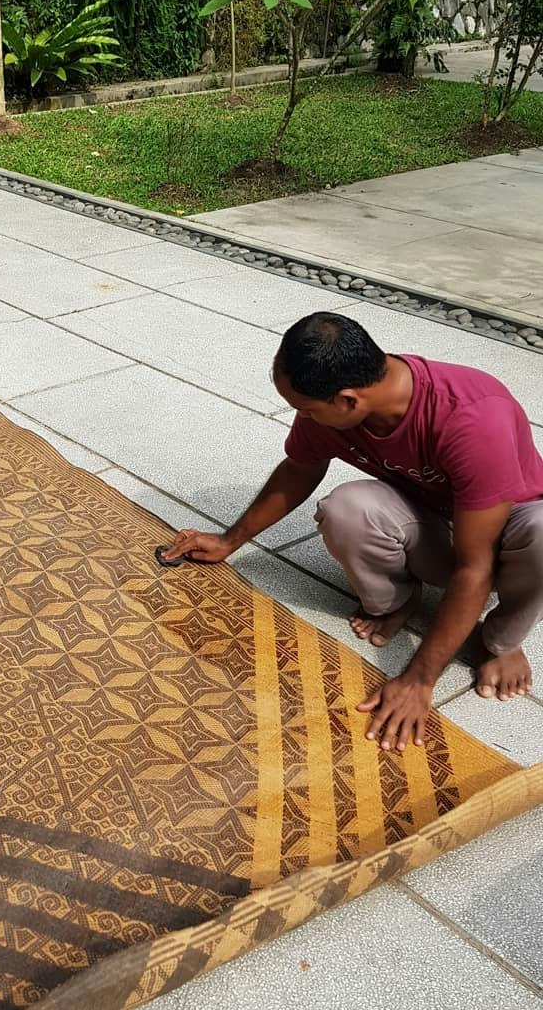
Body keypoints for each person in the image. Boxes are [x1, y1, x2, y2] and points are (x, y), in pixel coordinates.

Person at [160, 312, 543, 753]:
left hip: (508, 539)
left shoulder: (472, 418)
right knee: (346, 509)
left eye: (305, 408)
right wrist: (231, 540)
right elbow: (299, 469)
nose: (302, 417)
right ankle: (398, 602)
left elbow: (475, 565)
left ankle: (500, 641)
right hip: (435, 523)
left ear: (347, 401)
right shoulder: (336, 405)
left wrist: (419, 681)